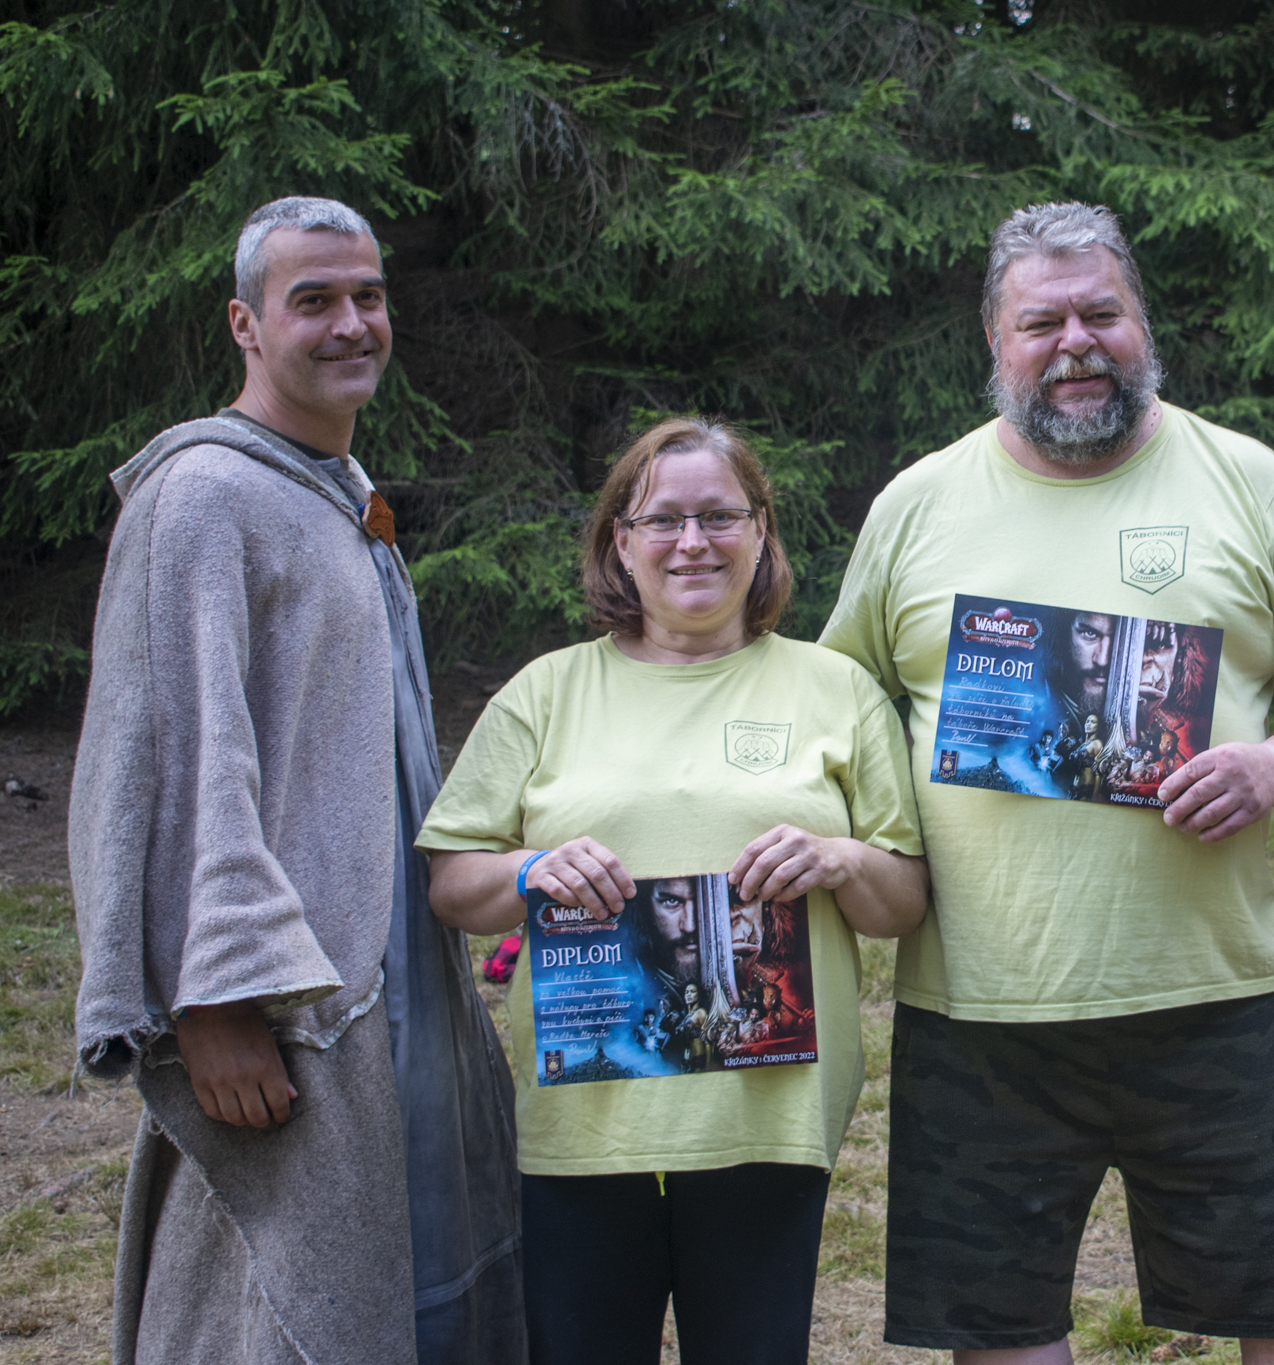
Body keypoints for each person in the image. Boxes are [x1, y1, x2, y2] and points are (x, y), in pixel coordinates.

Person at [822, 201, 1274, 1364]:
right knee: (1001, 1339)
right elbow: (836, 712)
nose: (1075, 342)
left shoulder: (1246, 479)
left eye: (1101, 313)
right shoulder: (916, 505)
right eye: (1042, 323)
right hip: (981, 1011)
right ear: (996, 343)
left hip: (1217, 996)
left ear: (1142, 321)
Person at [68, 196, 523, 1365]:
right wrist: (213, 1005)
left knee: (401, 1268)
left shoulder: (334, 488)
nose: (350, 323)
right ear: (246, 324)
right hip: (279, 998)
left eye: (368, 295)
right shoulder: (204, 496)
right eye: (312, 300)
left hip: (388, 971)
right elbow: (171, 752)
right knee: (269, 1290)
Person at [415, 416, 928, 1365]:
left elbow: (901, 904)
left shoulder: (837, 690)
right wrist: (530, 870)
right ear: (621, 540)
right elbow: (452, 883)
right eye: (662, 520)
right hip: (586, 1114)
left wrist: (841, 859)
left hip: (765, 1115)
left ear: (761, 531)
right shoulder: (545, 692)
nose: (693, 541)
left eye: (720, 515)